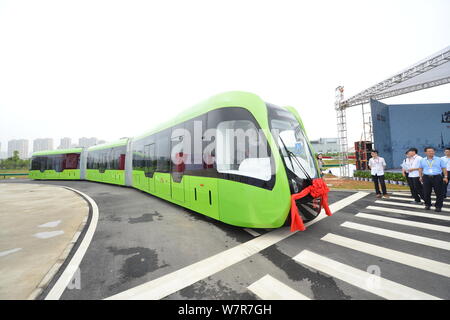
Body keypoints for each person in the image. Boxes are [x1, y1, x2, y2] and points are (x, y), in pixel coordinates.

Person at [418, 147, 448, 212]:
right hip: (426, 177)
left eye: (432, 151)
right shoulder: (422, 160)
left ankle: (438, 206)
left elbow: (444, 168)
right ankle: (428, 204)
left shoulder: (439, 159)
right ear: (425, 152)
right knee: (426, 192)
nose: (431, 152)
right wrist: (420, 177)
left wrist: (445, 177)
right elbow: (420, 169)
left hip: (437, 177)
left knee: (439, 193)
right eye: (429, 151)